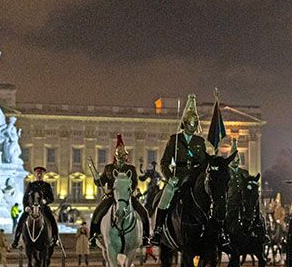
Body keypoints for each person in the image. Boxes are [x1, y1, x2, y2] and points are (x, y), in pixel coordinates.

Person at [152, 94, 209, 245]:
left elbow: (203, 162)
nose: (193, 127)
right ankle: (158, 230)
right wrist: (170, 177)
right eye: (190, 124)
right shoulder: (174, 139)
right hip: (178, 176)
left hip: (195, 177)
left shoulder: (199, 141)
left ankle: (217, 232)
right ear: (185, 124)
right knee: (165, 198)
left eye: (195, 123)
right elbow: (164, 162)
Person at [89, 134, 151, 248]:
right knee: (98, 212)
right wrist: (95, 177)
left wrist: (127, 192)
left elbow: (135, 183)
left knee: (144, 212)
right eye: (119, 155)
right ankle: (92, 235)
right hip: (111, 196)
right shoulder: (108, 168)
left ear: (126, 156)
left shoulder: (130, 168)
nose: (121, 158)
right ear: (116, 156)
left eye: (123, 156)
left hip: (126, 196)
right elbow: (100, 182)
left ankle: (146, 236)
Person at [11, 166, 59, 249]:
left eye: (41, 173)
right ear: (35, 174)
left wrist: (45, 201)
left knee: (52, 221)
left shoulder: (47, 185)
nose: (39, 175)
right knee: (21, 221)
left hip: (43, 208)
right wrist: (26, 207)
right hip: (31, 208)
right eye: (38, 173)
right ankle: (16, 240)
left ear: (43, 174)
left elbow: (51, 198)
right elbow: (25, 198)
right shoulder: (31, 185)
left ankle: (55, 239)